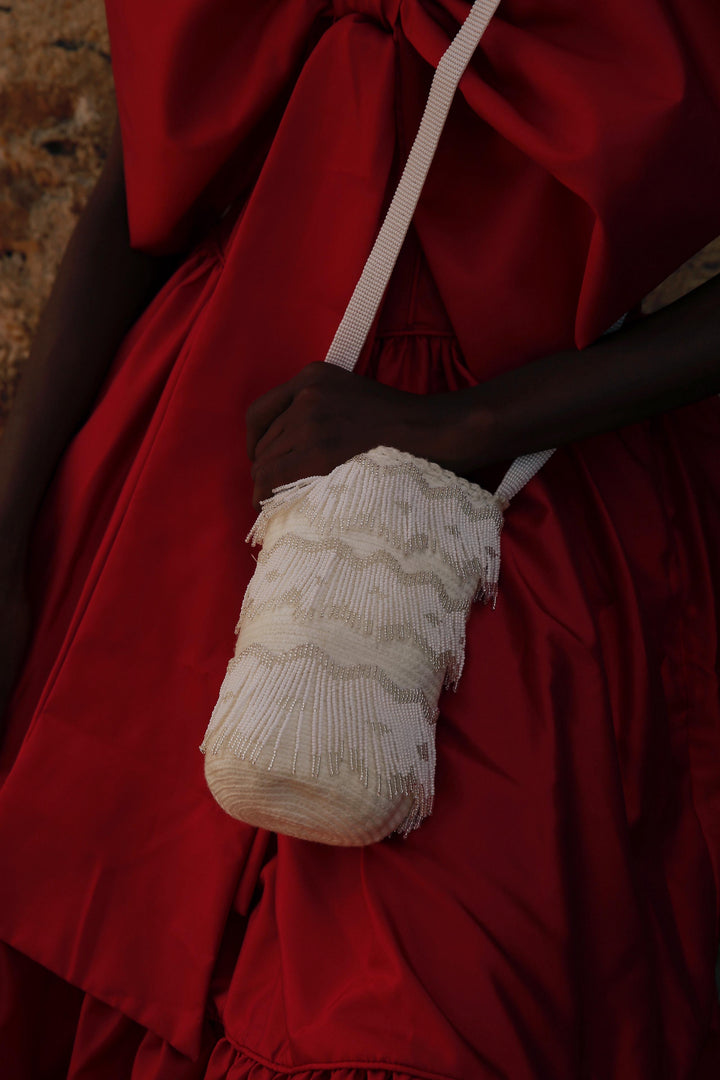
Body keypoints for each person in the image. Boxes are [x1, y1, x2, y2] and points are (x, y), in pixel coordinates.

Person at [1, 0, 720, 1076]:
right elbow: (143, 181)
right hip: (184, 457)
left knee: (408, 1003)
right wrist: (10, 526)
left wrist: (464, 426)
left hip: (488, 520)